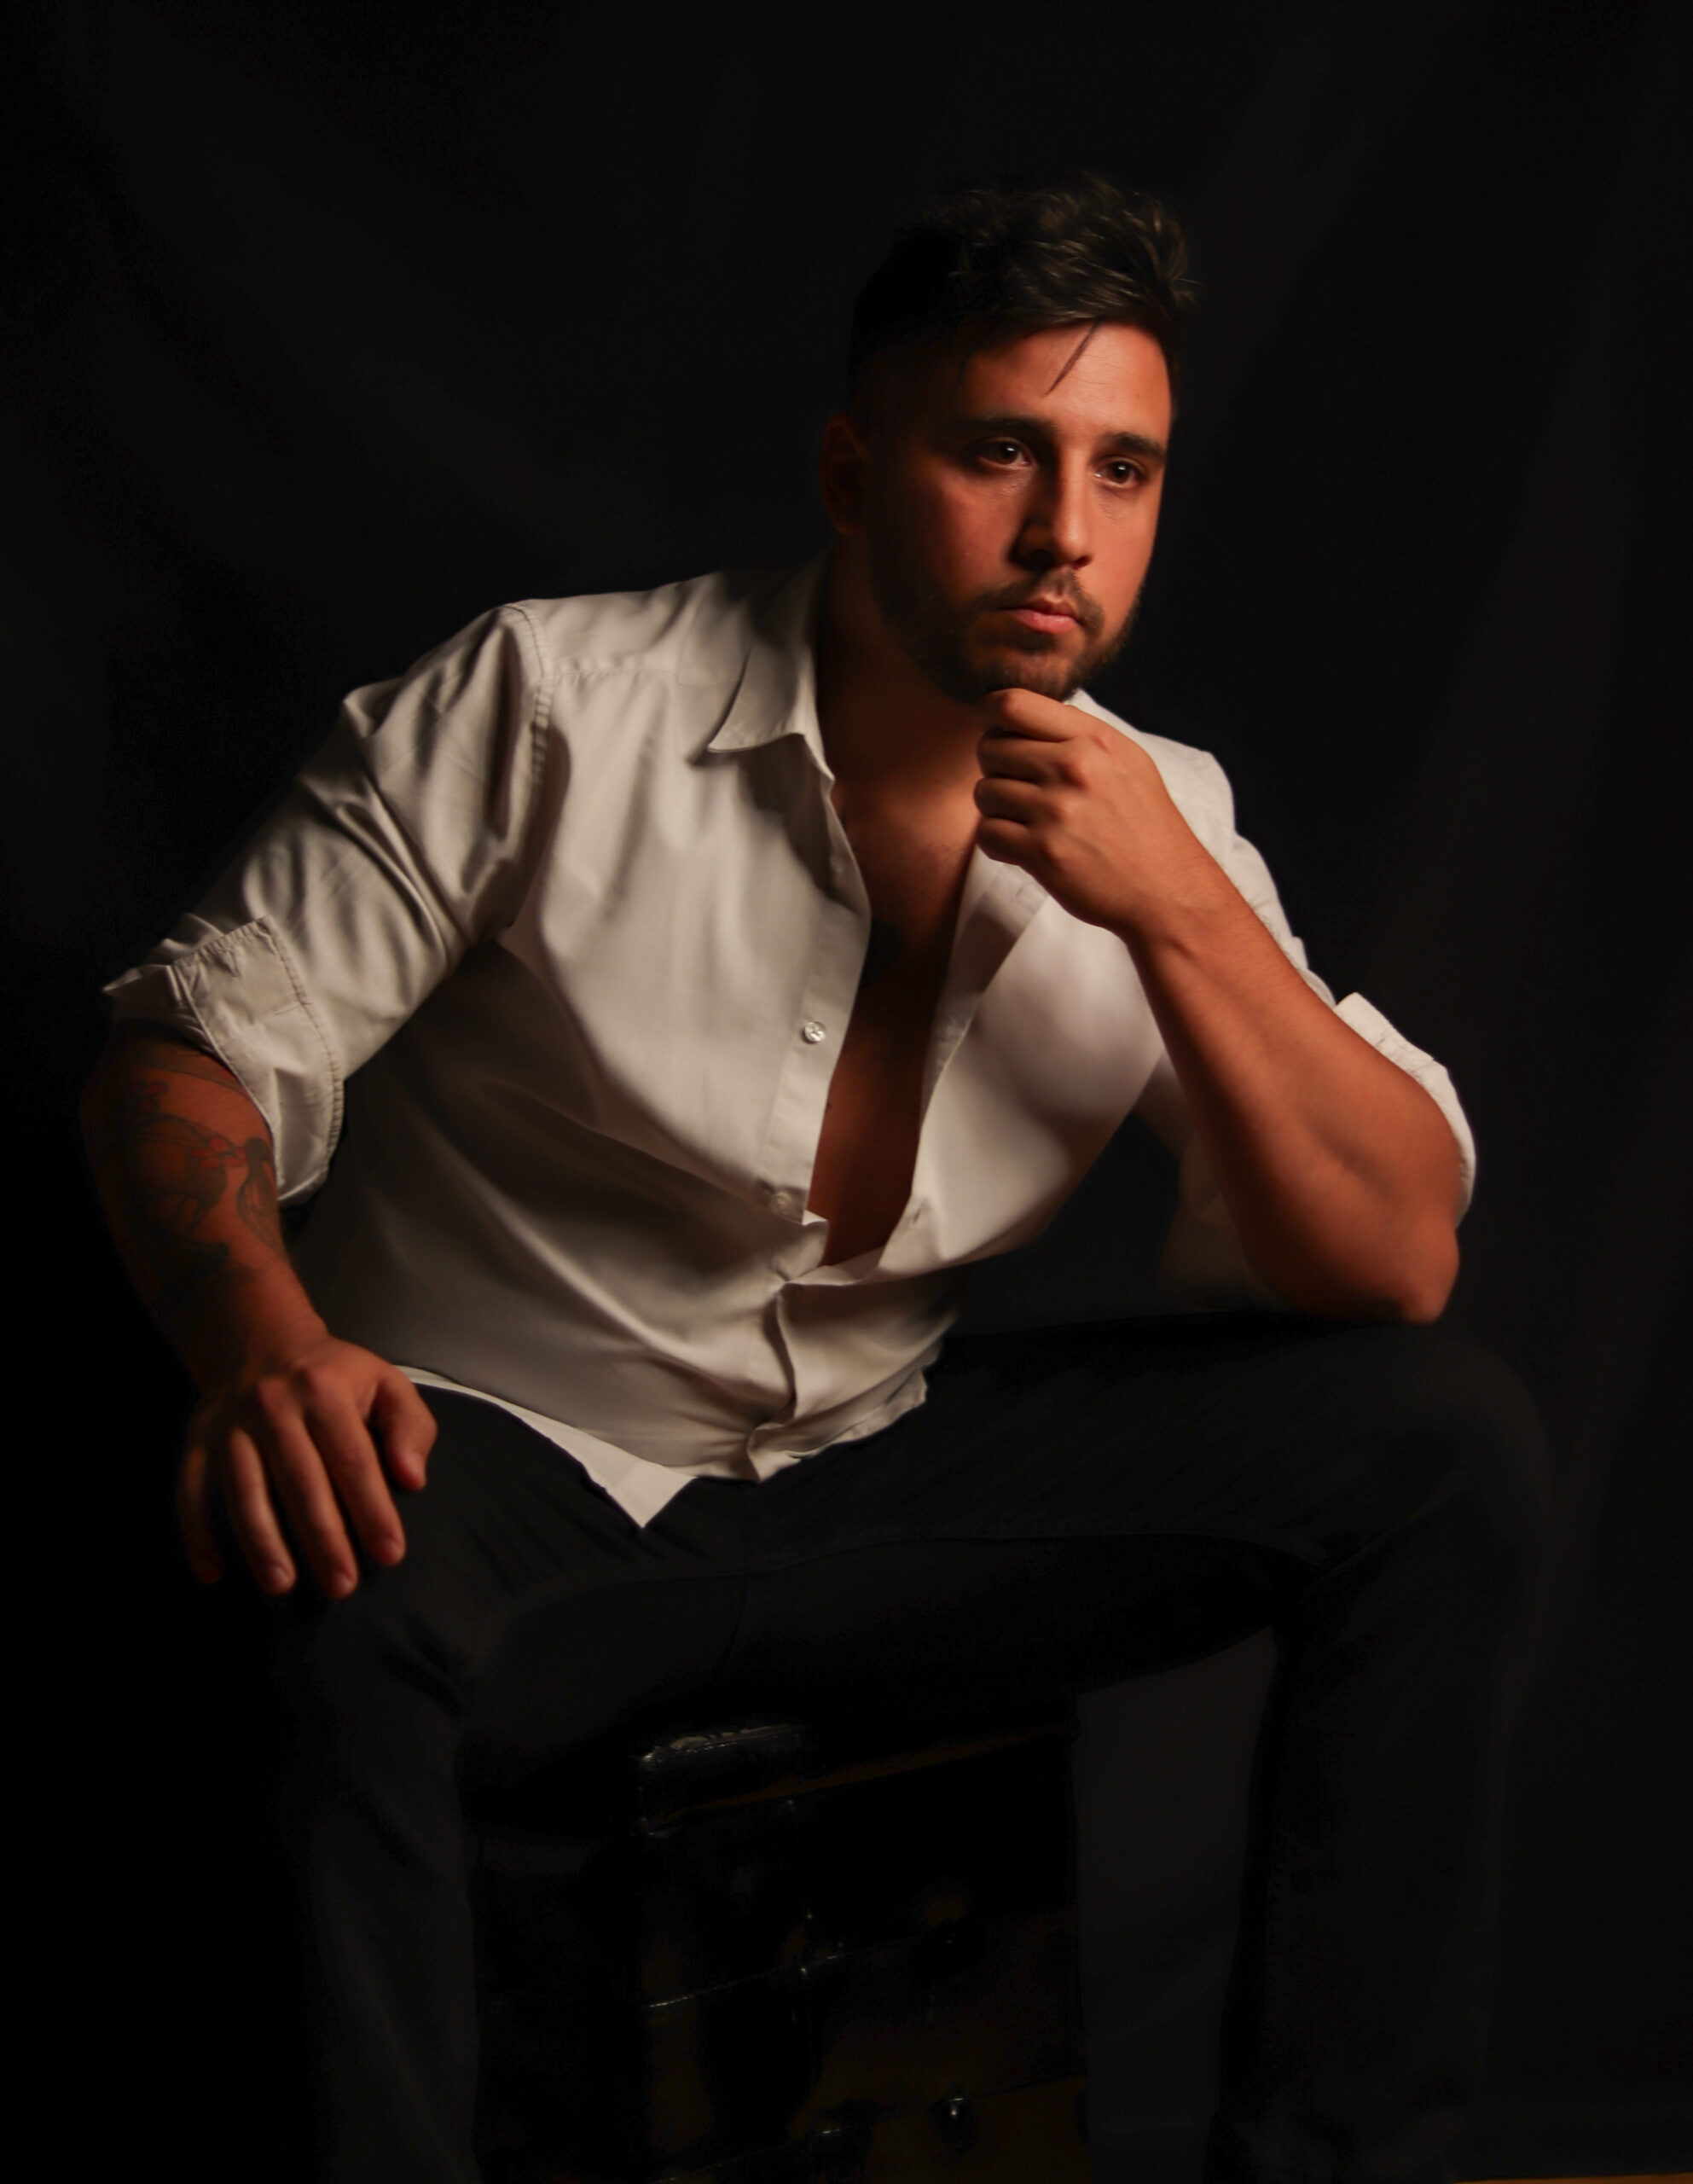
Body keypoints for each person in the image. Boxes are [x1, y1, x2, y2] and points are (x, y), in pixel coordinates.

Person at [82, 173, 1547, 2183]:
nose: (1066, 530)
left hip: (871, 1470)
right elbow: (184, 1052)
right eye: (999, 452)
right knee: (333, 1587)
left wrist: (1182, 912)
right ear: (855, 474)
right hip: (500, 1471)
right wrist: (261, 1344)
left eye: (1123, 471)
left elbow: (1390, 1259)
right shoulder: (548, 708)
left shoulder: (1162, 819)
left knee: (1441, 1442)